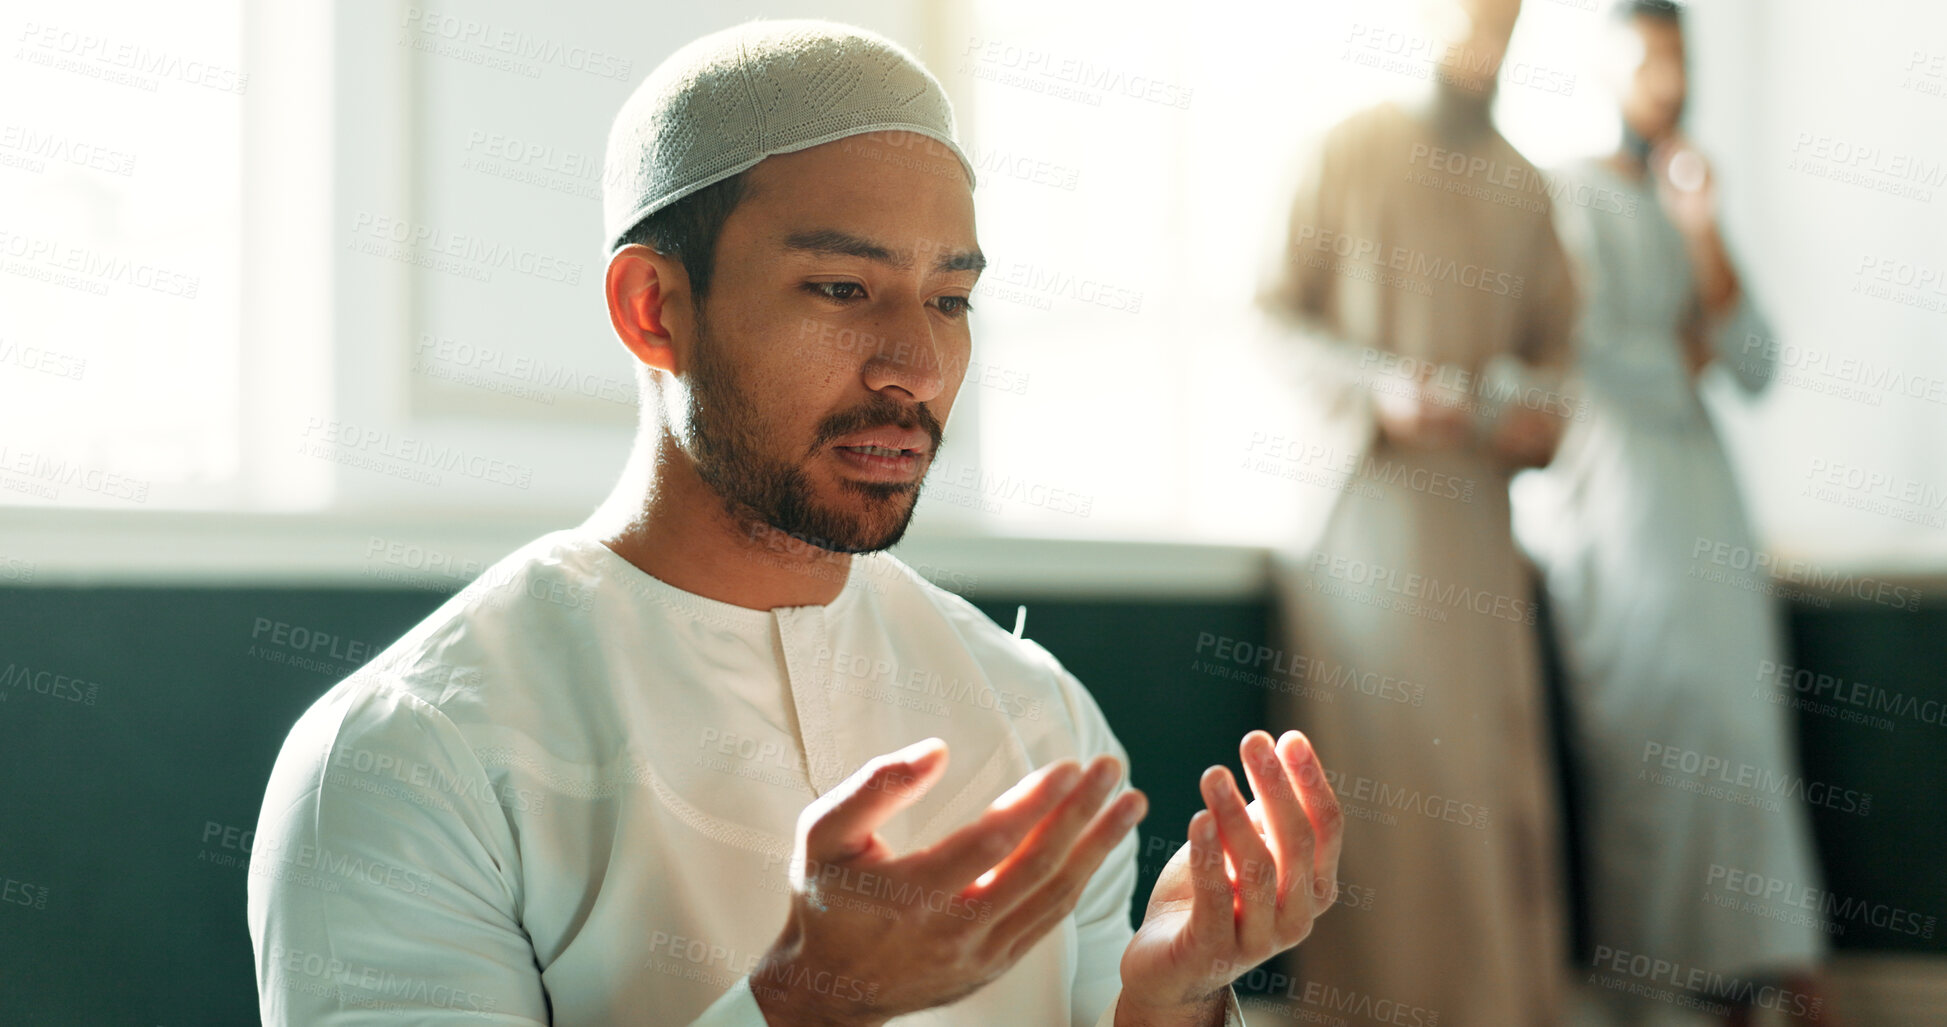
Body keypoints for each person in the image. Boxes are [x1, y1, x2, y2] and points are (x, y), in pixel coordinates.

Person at [247, 19, 1344, 1027]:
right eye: (840, 289)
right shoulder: (407, 759)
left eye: (952, 299)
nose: (915, 362)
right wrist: (797, 1005)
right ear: (653, 307)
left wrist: (1172, 999)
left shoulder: (1037, 717)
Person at [1254, 0, 1579, 1023]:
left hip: (1481, 533)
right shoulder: (1344, 150)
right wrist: (1378, 389)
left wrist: (1530, 410)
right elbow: (1271, 314)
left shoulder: (1528, 186)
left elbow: (1561, 362)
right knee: (1381, 790)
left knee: (1488, 788)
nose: (1492, 26)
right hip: (1367, 525)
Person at [1508, 2, 1833, 1023]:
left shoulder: (1690, 195)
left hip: (1708, 505)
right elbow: (1578, 349)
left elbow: (1756, 362)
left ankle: (1764, 976)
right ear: (1606, 69)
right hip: (1617, 501)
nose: (1664, 79)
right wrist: (1677, 353)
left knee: (1740, 733)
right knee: (1655, 729)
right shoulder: (1565, 194)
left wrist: (1703, 232)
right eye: (1644, 59)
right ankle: (1663, 991)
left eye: (1676, 59)